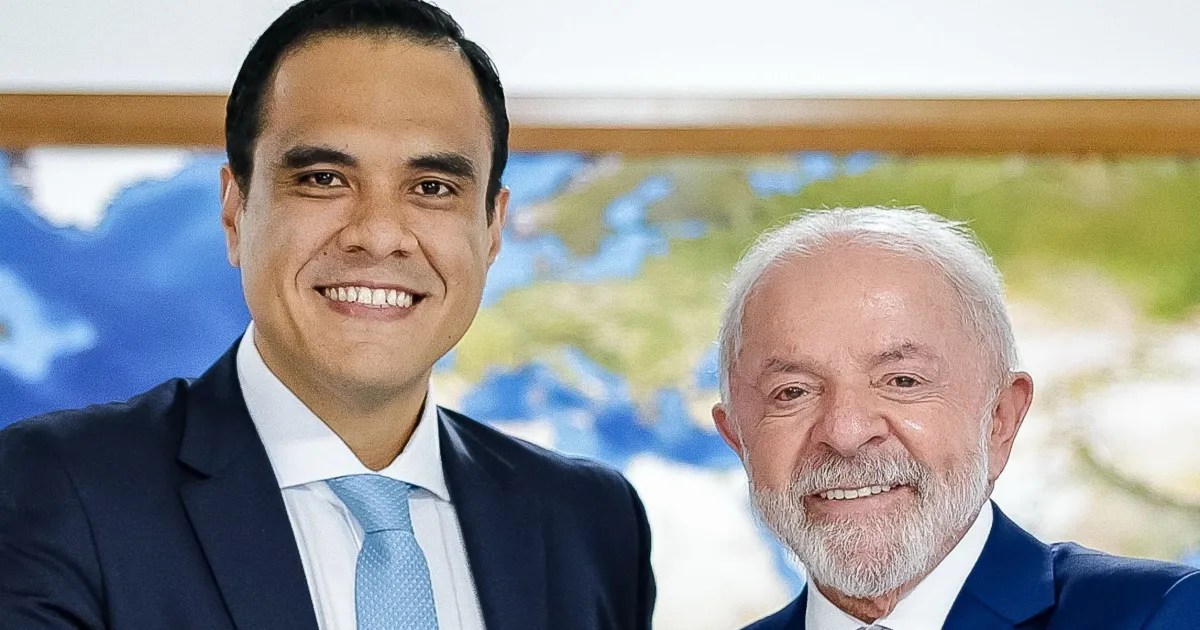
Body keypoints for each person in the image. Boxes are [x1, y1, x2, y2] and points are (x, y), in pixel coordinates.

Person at [0, 1, 655, 628]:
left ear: (492, 229)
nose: (378, 234)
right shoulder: (55, 489)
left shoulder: (590, 523)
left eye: (432, 187)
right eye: (323, 178)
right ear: (235, 212)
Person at [711, 207, 1200, 629]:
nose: (846, 431)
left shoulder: (1162, 614)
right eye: (792, 392)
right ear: (737, 438)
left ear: (1001, 418)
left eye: (902, 381)